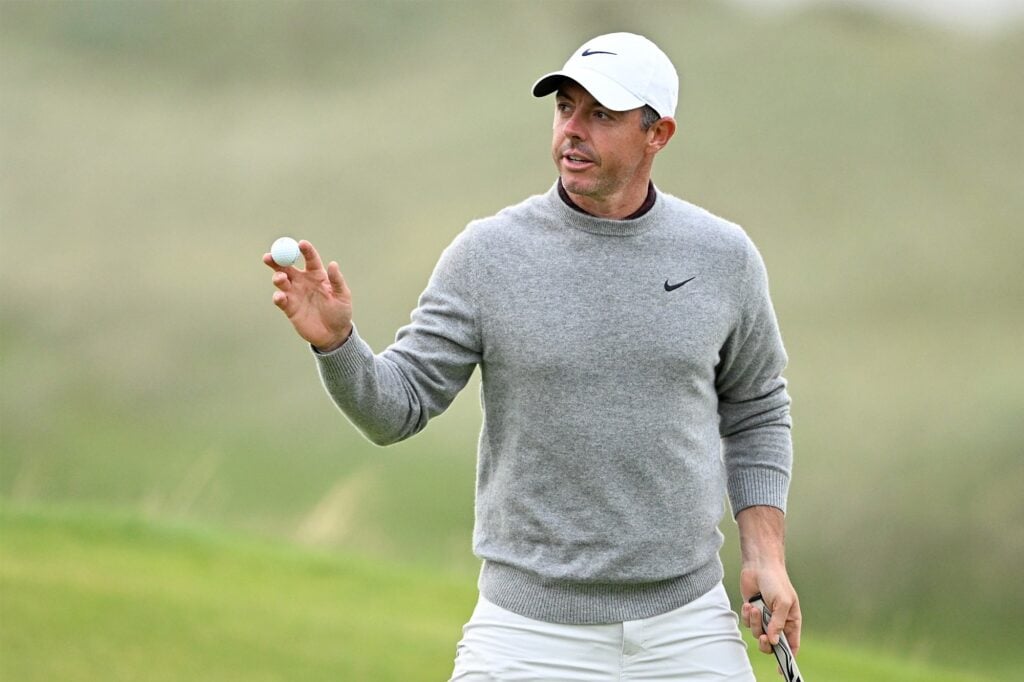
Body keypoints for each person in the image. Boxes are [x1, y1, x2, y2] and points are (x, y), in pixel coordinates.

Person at [265, 32, 801, 681]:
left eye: (600, 115)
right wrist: (336, 344)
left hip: (685, 624)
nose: (573, 130)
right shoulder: (488, 255)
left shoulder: (721, 257)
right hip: (527, 634)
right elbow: (395, 410)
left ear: (657, 134)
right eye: (565, 108)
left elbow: (756, 406)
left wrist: (765, 554)